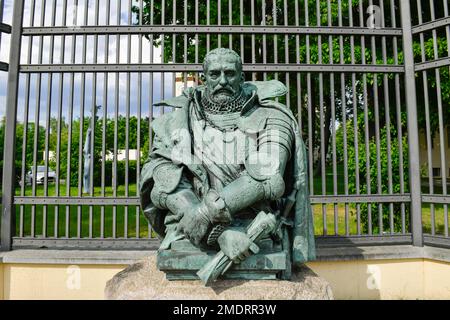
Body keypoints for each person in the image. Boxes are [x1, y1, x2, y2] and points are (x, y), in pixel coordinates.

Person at [139, 48, 315, 278]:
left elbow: (269, 177)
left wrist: (203, 215)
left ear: (242, 78)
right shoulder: (177, 121)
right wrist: (218, 233)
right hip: (188, 223)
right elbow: (161, 178)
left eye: (230, 74)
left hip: (253, 228)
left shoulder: (273, 116)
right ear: (204, 78)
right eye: (214, 74)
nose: (223, 80)